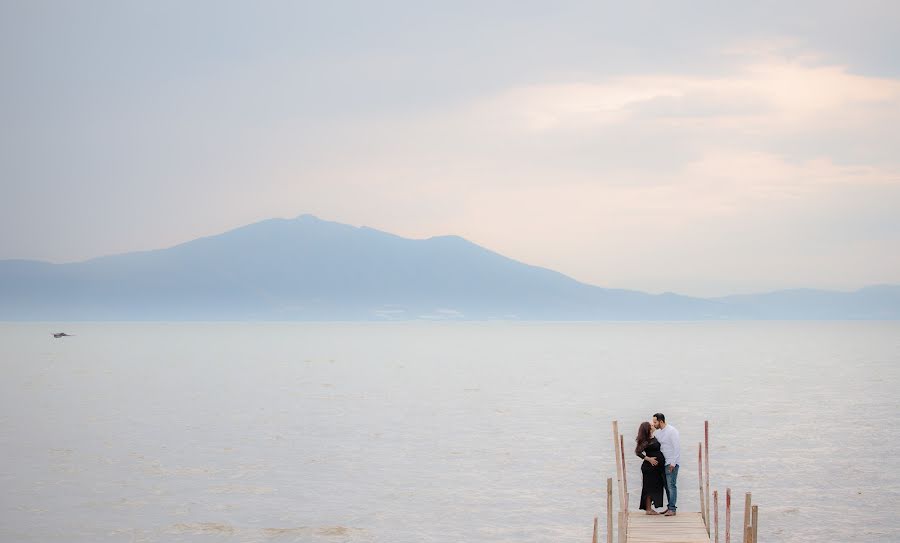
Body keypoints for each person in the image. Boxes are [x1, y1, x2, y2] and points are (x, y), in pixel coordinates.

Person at [634, 421, 667, 514]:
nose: (653, 426)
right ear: (648, 429)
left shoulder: (653, 437)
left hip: (656, 469)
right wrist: (649, 459)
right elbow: (638, 452)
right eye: (651, 425)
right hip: (649, 468)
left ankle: (650, 508)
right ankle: (648, 509)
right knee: (648, 488)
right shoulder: (646, 440)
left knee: (655, 487)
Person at [652, 412, 681, 516]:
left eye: (655, 422)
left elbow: (677, 447)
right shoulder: (659, 432)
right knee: (666, 486)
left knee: (671, 485)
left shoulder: (672, 431)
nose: (654, 424)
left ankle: (672, 509)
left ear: (661, 421)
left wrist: (673, 463)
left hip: (671, 463)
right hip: (663, 463)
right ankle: (670, 507)